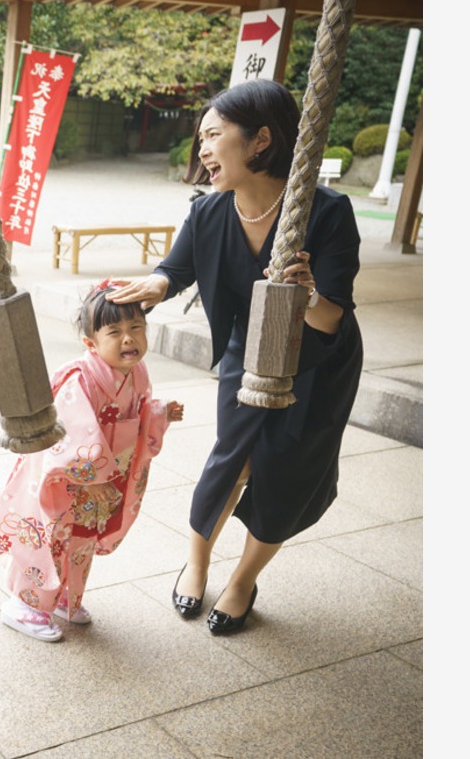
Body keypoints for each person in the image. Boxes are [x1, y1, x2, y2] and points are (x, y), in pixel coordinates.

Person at [108, 79, 363, 635]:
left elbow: (331, 317)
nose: (202, 149)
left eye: (213, 135)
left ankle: (243, 579)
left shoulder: (328, 212)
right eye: (201, 137)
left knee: (286, 469)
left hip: (320, 362)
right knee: (234, 457)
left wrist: (308, 294)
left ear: (260, 140)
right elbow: (174, 270)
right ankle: (196, 562)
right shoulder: (209, 212)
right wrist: (152, 287)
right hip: (247, 352)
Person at [0, 282, 184, 642]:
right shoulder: (80, 379)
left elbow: (138, 414)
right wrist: (97, 475)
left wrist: (159, 412)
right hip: (66, 480)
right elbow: (75, 436)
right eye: (115, 332)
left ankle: (64, 597)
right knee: (50, 537)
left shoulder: (137, 374)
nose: (129, 339)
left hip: (102, 480)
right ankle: (23, 604)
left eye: (136, 328)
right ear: (91, 344)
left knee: (83, 539)